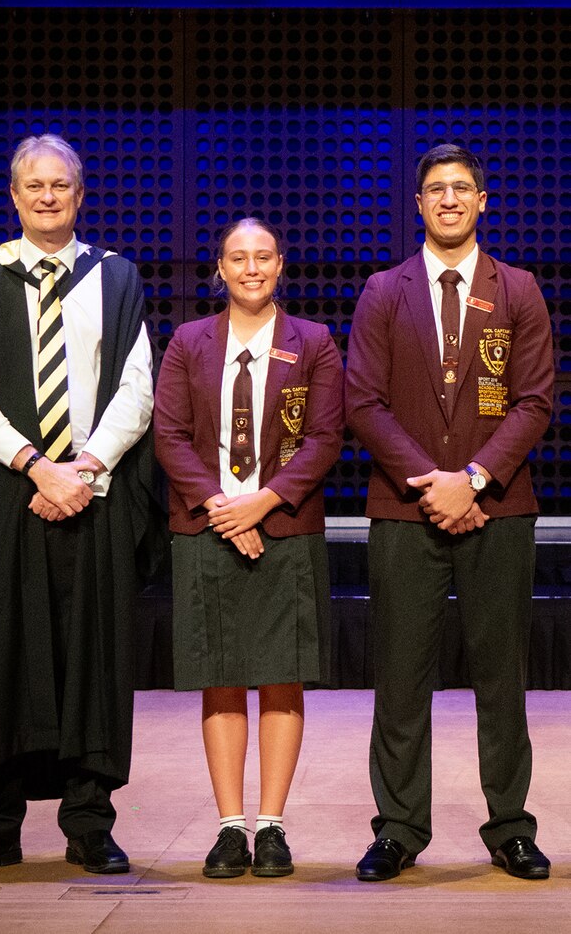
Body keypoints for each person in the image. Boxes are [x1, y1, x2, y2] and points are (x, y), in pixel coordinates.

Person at [0, 133, 164, 877]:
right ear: (13, 194)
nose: (46, 196)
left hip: (90, 495)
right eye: (33, 185)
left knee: (90, 654)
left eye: (59, 184)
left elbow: (138, 385)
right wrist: (36, 465)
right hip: (3, 497)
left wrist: (86, 466)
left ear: (79, 192)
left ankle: (89, 822)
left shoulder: (118, 278)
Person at [345, 144, 554, 882]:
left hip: (498, 508)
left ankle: (511, 828)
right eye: (435, 189)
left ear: (483, 200)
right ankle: (398, 827)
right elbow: (361, 400)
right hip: (405, 511)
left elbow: (535, 402)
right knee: (401, 677)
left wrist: (472, 478)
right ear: (418, 203)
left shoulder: (520, 288)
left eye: (462, 188)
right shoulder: (382, 289)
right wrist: (431, 482)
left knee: (503, 674)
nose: (450, 199)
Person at [154, 217, 343, 878]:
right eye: (240, 257)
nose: (253, 267)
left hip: (284, 527)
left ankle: (273, 826)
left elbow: (324, 438)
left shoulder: (314, 343)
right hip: (207, 528)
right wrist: (222, 508)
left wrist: (262, 503)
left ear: (281, 264)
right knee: (222, 677)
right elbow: (170, 435)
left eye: (264, 256)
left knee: (283, 676)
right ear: (222, 268)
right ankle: (230, 826)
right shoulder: (187, 341)